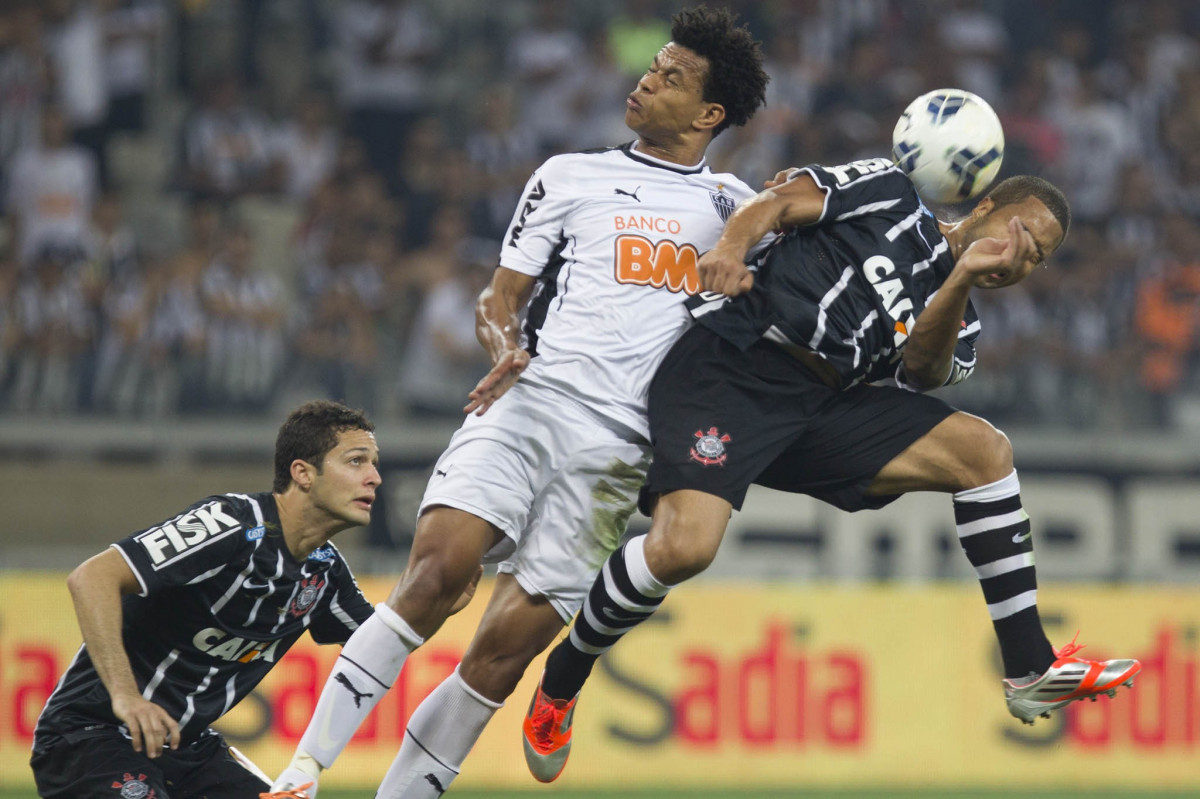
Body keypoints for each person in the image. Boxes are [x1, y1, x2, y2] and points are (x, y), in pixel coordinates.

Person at [263, 7, 769, 798]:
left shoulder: (739, 210)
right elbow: (500, 297)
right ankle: (301, 771)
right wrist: (507, 349)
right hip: (531, 404)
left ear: (710, 115)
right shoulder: (569, 174)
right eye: (652, 66)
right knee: (436, 574)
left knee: (500, 656)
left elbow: (813, 243)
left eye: (671, 76)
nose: (646, 79)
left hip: (617, 457)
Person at [524, 160, 1144, 780]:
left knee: (985, 452)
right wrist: (731, 253)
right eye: (1021, 235)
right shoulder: (891, 193)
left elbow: (923, 374)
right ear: (983, 209)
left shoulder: (969, 324)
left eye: (1037, 258)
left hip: (820, 406)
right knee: (684, 549)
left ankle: (1028, 668)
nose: (1020, 258)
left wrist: (958, 279)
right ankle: (561, 682)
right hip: (737, 360)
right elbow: (773, 205)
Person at [30, 400, 383, 799]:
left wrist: (435, 593)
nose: (374, 477)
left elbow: (379, 645)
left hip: (189, 750)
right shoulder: (228, 523)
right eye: (356, 461)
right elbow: (91, 577)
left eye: (373, 463)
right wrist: (126, 697)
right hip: (91, 735)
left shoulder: (325, 571)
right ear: (302, 473)